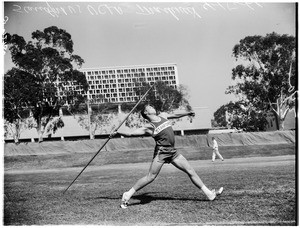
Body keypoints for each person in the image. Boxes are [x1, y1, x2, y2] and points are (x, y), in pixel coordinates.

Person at [113, 105, 223, 209]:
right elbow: (131, 133)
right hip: (161, 152)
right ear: (146, 112)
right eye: (149, 107)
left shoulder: (163, 116)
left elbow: (175, 115)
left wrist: (187, 113)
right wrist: (117, 131)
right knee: (151, 177)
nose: (152, 106)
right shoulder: (150, 127)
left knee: (190, 171)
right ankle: (127, 195)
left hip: (172, 151)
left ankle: (209, 194)